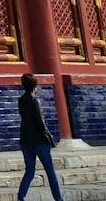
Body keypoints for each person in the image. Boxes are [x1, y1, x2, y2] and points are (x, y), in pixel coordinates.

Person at [16, 73, 63, 201]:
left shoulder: (21, 100)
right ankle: (58, 198)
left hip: (26, 140)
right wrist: (49, 138)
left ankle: (21, 197)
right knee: (50, 171)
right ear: (35, 85)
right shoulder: (34, 101)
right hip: (39, 141)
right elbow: (40, 122)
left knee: (29, 171)